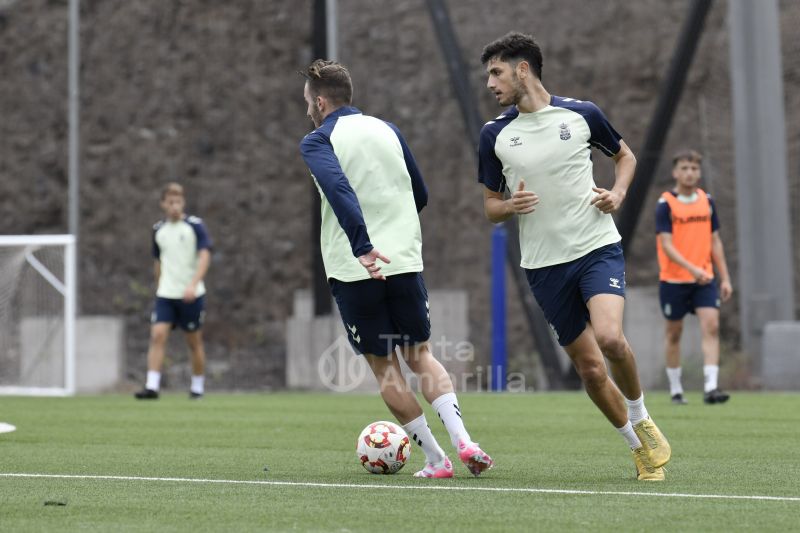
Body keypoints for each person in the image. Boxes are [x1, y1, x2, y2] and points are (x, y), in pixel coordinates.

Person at [477, 32, 670, 481]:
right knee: (588, 367)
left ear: (523, 69)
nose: (490, 83)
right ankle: (637, 448)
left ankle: (642, 417)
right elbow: (489, 206)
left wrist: (618, 193)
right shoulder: (495, 135)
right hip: (544, 266)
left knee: (610, 340)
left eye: (496, 72)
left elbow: (626, 157)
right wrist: (509, 206)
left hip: (596, 247)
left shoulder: (582, 114)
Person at [299, 59, 492, 478]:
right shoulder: (388, 129)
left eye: (307, 103)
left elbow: (338, 189)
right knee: (421, 356)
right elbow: (419, 192)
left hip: (356, 270)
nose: (307, 112)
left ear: (319, 100)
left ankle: (438, 461)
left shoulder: (317, 140)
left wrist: (364, 246)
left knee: (385, 368)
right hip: (404, 260)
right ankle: (465, 441)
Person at [656, 149, 732, 405]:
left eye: (694, 169)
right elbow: (667, 245)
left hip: (704, 279)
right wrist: (692, 268)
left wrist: (725, 277)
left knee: (711, 326)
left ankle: (711, 387)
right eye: (685, 168)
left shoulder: (706, 201)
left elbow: (715, 241)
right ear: (675, 172)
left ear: (699, 172)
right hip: (674, 280)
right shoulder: (665, 203)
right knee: (674, 334)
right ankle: (676, 390)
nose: (690, 173)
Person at [134, 183, 212, 400]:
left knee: (193, 341)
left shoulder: (195, 226)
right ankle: (152, 386)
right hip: (166, 295)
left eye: (178, 202)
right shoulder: (158, 230)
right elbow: (158, 261)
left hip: (191, 294)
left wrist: (193, 284)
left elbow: (205, 256)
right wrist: (159, 286)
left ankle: (197, 387)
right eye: (170, 202)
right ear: (163, 204)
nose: (175, 206)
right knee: (157, 335)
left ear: (183, 203)